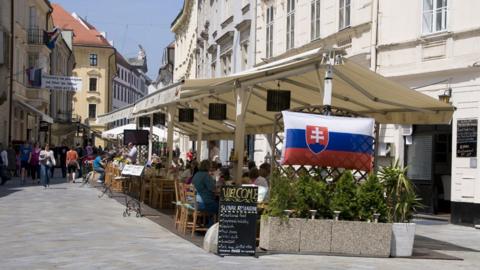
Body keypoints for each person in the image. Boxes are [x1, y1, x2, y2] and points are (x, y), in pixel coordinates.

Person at [192, 160, 218, 227]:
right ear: (208, 167)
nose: (211, 167)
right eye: (210, 166)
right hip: (203, 203)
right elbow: (213, 188)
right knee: (220, 207)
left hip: (194, 202)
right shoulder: (206, 176)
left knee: (214, 205)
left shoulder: (196, 174)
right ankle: (211, 226)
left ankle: (207, 223)